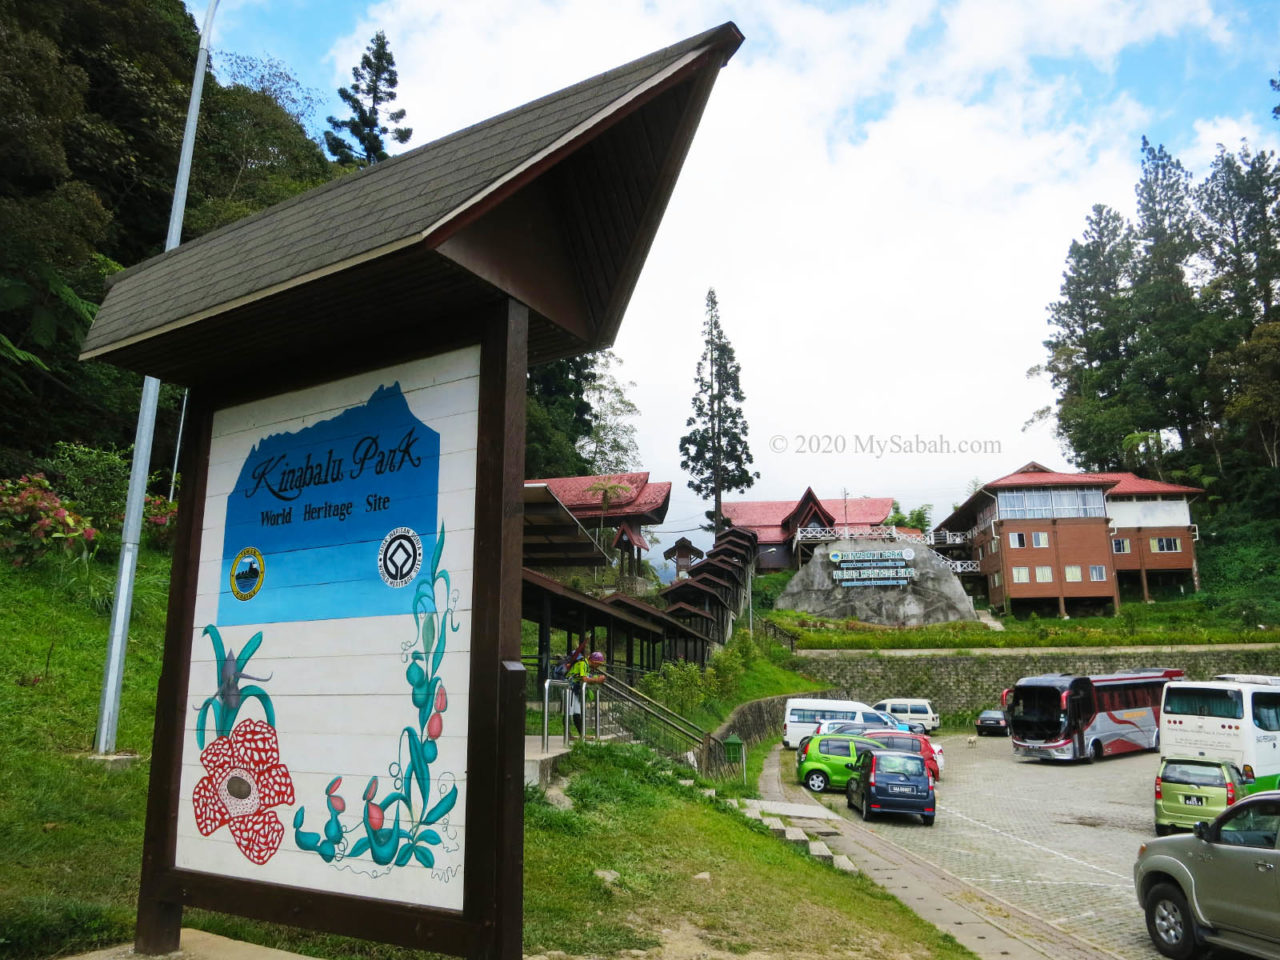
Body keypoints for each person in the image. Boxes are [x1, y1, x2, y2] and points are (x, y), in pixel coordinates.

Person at [567, 651, 607, 736]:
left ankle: (582, 734)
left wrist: (597, 679)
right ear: (593, 661)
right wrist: (597, 680)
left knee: (577, 712)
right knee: (569, 712)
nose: (598, 666)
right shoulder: (583, 664)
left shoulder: (587, 666)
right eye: (598, 664)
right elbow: (585, 679)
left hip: (575, 689)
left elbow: (587, 679)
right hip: (569, 688)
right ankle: (567, 735)